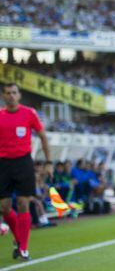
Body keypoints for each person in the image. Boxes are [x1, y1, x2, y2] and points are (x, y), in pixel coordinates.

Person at [0, 82, 51, 261]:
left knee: (23, 203)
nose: (11, 96)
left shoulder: (29, 113)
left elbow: (43, 136)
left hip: (23, 162)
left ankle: (23, 248)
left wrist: (49, 162)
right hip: (3, 164)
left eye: (14, 92)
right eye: (8, 93)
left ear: (19, 95)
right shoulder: (0, 116)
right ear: (4, 96)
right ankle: (19, 239)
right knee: (4, 207)